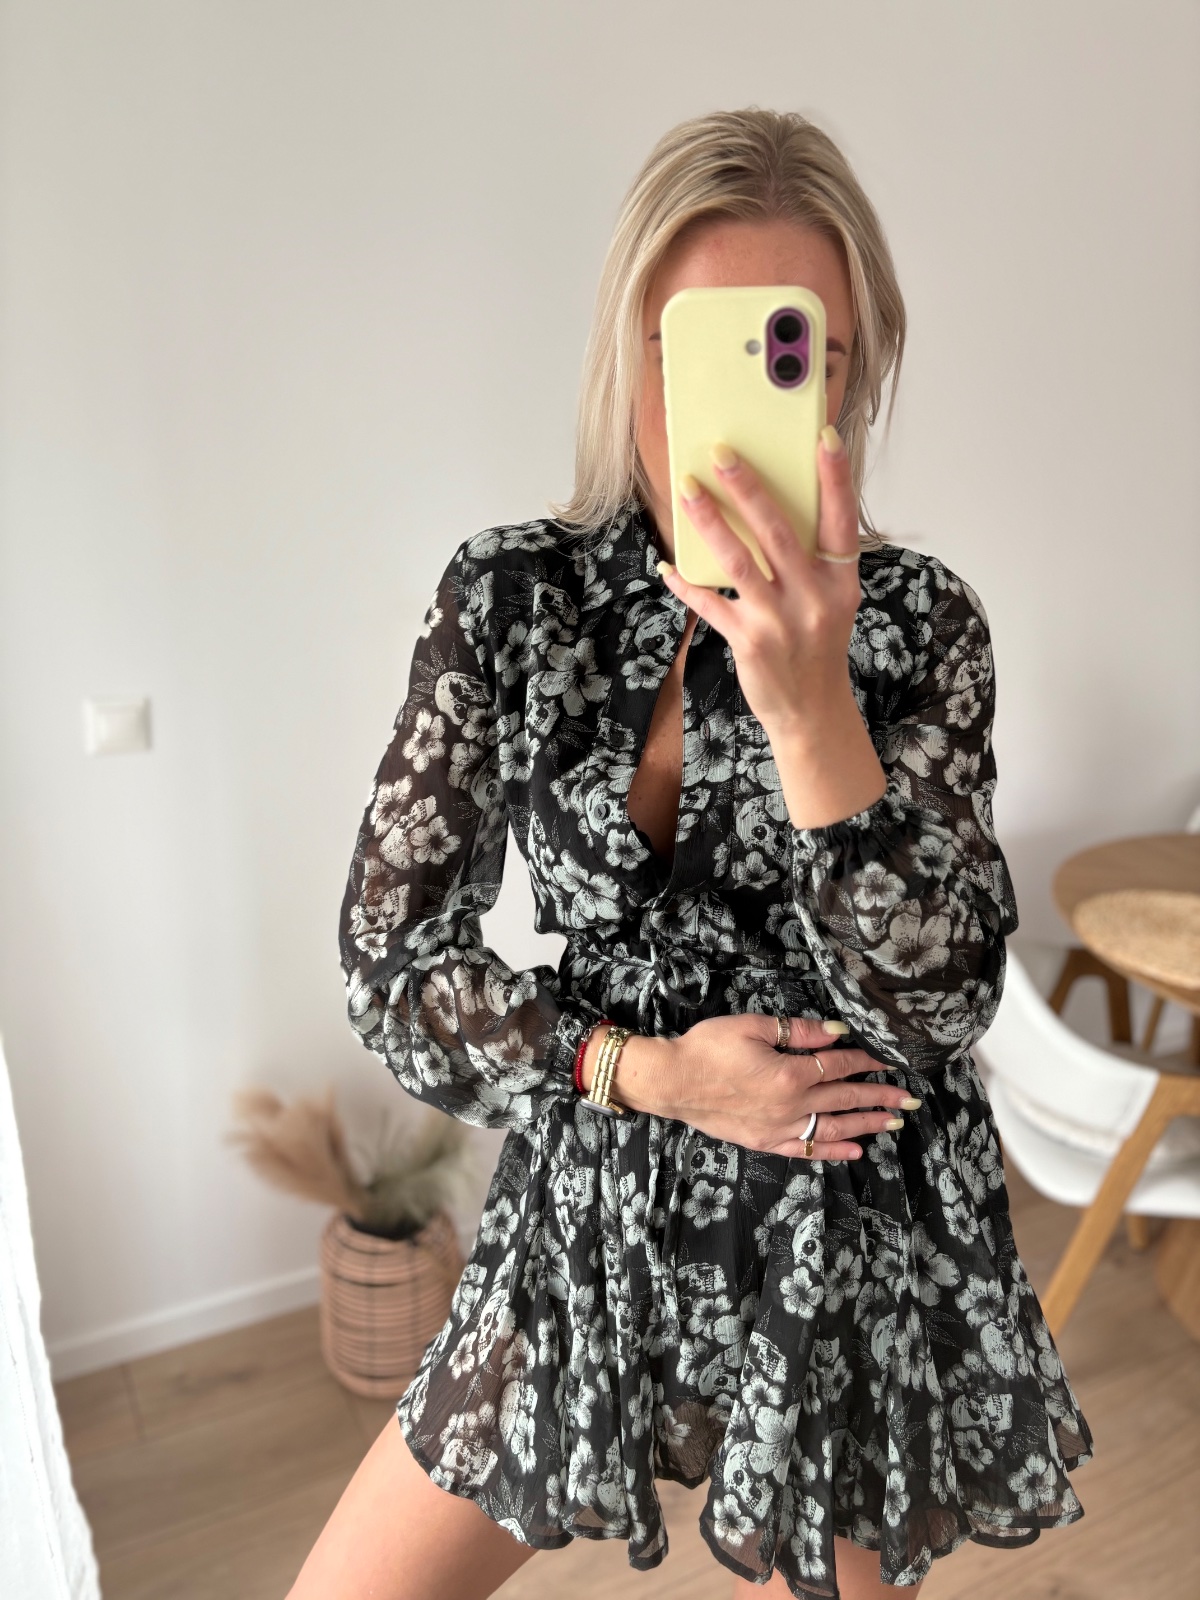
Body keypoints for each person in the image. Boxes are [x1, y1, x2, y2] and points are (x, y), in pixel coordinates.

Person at [289, 108, 1092, 1600]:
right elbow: (390, 964)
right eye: (697, 350)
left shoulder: (923, 626)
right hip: (589, 1210)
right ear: (631, 356)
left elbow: (941, 1006)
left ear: (852, 376)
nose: (733, 409)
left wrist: (810, 705)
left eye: (799, 354)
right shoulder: (513, 601)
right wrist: (648, 1072)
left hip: (844, 1242)